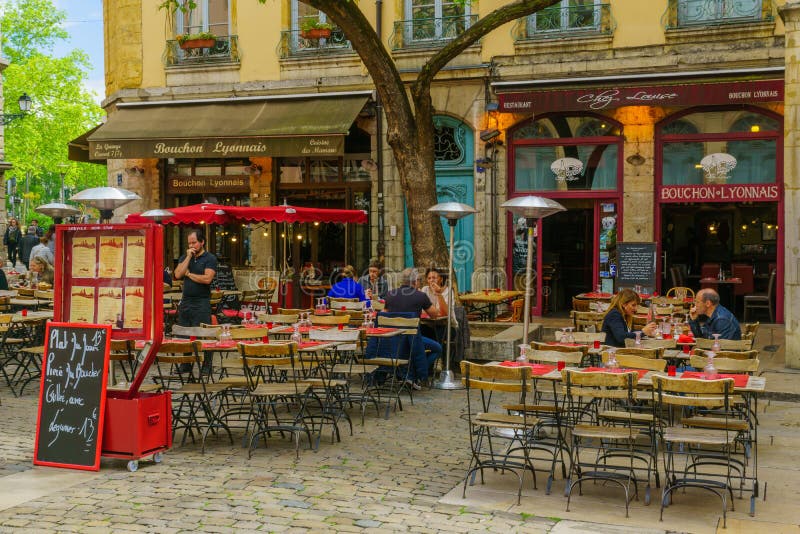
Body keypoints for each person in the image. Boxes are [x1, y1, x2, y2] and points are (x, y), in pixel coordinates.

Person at [383, 267, 443, 387]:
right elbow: (435, 315)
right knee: (437, 348)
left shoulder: (390, 295)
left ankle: (407, 373)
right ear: (415, 281)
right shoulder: (420, 296)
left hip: (393, 338)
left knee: (410, 345)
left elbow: (384, 315)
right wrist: (438, 294)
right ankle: (416, 373)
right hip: (413, 339)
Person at [173, 229, 218, 328]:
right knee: (183, 336)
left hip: (201, 303)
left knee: (200, 336)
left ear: (202, 242)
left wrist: (189, 274)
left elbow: (207, 279)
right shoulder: (185, 257)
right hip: (185, 302)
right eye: (189, 243)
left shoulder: (210, 258)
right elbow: (177, 275)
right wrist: (188, 257)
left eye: (194, 242)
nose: (191, 246)